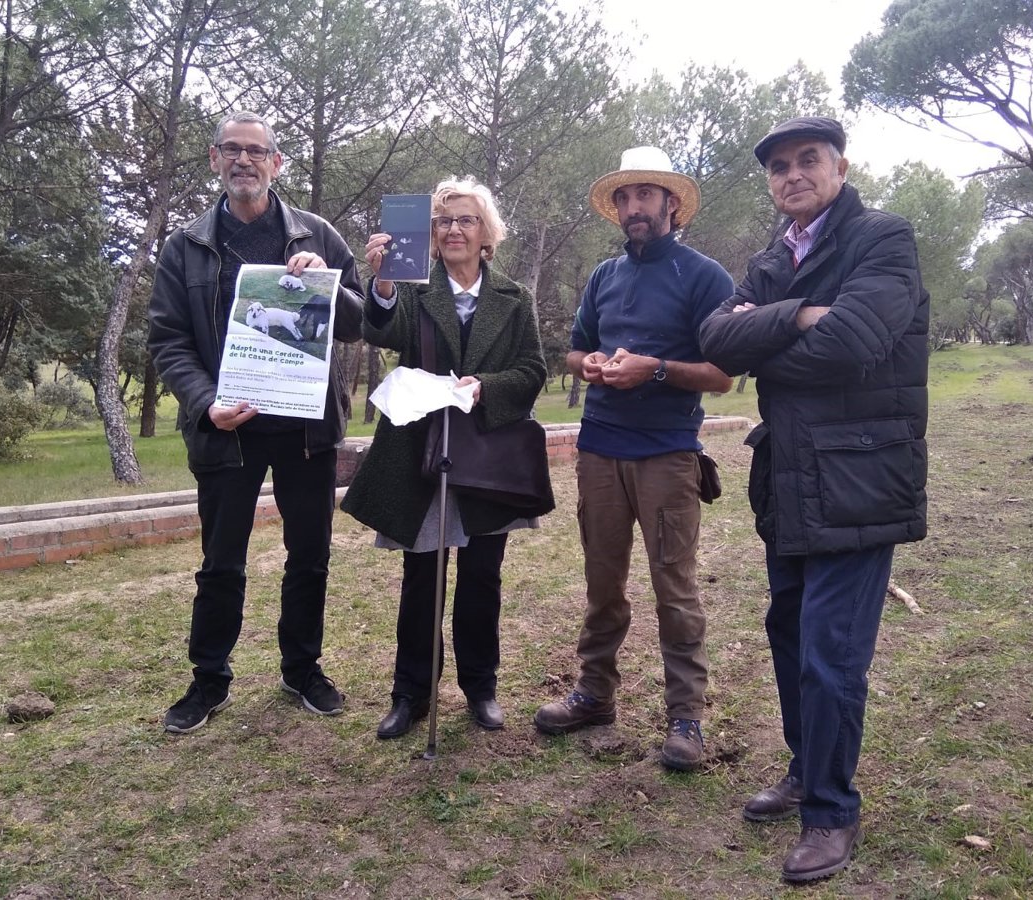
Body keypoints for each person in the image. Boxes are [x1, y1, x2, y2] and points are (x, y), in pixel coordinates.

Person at [698, 116, 929, 883]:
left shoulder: (883, 239)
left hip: (861, 479)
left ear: (840, 167)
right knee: (791, 633)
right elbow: (714, 341)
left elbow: (851, 343)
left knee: (832, 654)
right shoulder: (775, 259)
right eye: (779, 167)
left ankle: (831, 811)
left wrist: (762, 342)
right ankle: (806, 770)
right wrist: (799, 315)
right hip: (791, 477)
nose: (793, 174)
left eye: (808, 160)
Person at [148, 111, 364, 734]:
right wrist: (204, 403)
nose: (244, 160)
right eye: (232, 150)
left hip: (305, 432)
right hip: (227, 431)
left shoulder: (317, 235)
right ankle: (208, 680)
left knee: (310, 557)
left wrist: (325, 284)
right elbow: (168, 341)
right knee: (221, 563)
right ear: (214, 158)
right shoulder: (185, 246)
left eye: (256, 151)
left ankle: (302, 669)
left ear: (276, 162)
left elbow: (360, 323)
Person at [533, 147, 733, 773]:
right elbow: (574, 353)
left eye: (645, 194)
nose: (633, 207)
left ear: (671, 203)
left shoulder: (705, 278)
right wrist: (589, 364)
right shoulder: (603, 276)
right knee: (602, 583)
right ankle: (595, 694)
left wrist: (657, 370)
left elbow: (723, 374)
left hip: (668, 453)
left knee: (674, 588)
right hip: (599, 449)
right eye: (624, 197)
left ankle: (686, 717)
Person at [341, 177, 548, 739]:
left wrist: (486, 387)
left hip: (488, 455)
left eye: (466, 220)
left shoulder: (514, 298)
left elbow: (533, 370)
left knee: (482, 578)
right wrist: (383, 282)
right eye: (444, 221)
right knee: (421, 579)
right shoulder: (412, 289)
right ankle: (411, 694)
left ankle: (481, 688)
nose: (454, 229)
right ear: (431, 233)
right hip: (420, 455)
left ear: (486, 233)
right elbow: (383, 331)